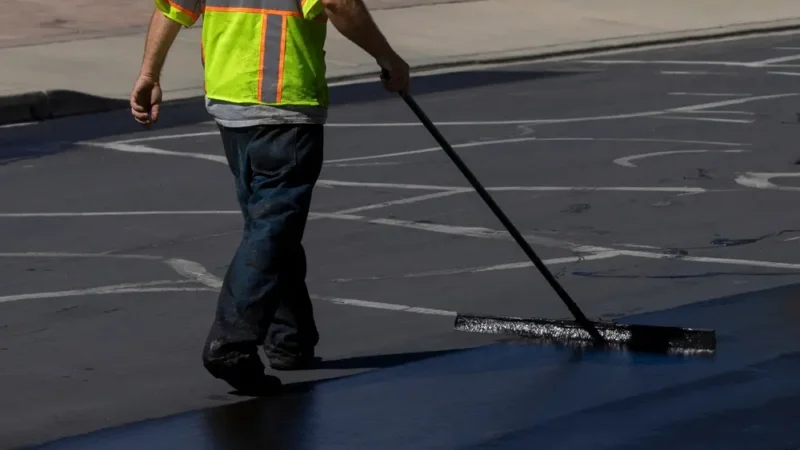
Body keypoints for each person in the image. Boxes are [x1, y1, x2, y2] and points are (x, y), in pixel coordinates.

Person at [130, 0, 410, 393]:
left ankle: (289, 340)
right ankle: (232, 343)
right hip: (283, 102)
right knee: (272, 228)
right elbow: (337, 3)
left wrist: (148, 73)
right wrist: (389, 58)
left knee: (272, 226)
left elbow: (172, 7)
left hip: (231, 102)